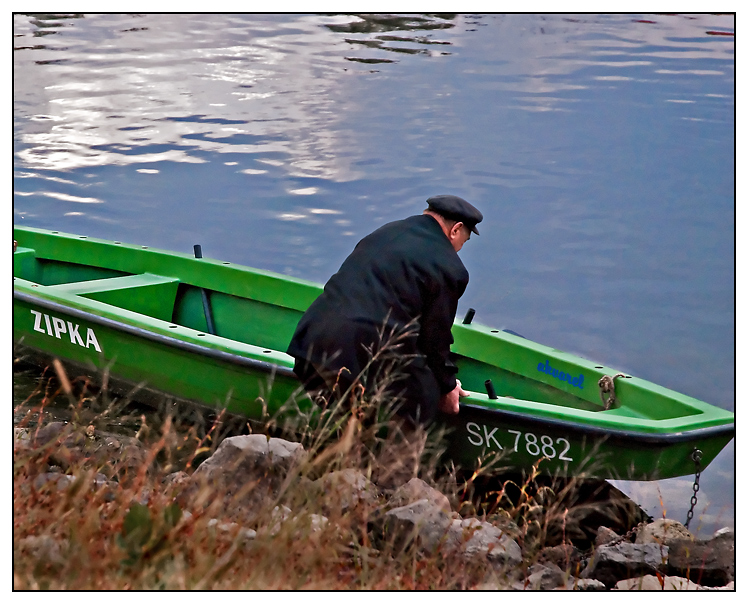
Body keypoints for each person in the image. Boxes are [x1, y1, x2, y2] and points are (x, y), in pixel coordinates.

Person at [287, 194, 482, 427]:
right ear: (456, 229)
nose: (459, 249)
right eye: (464, 240)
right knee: (424, 394)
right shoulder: (449, 266)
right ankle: (397, 463)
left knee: (356, 414)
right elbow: (434, 339)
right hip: (358, 350)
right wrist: (448, 385)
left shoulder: (385, 232)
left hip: (311, 341)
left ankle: (351, 452)